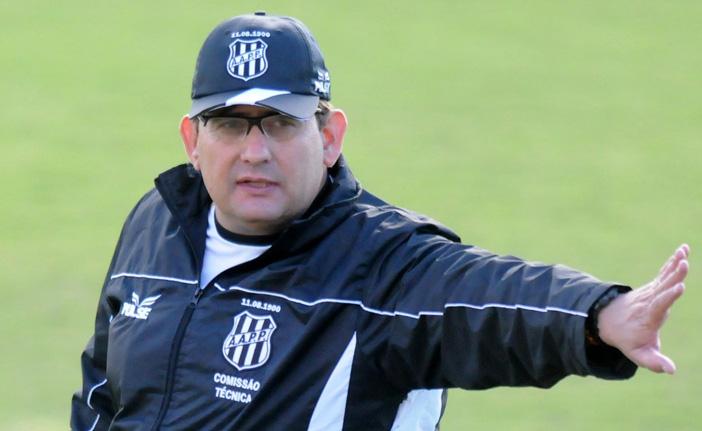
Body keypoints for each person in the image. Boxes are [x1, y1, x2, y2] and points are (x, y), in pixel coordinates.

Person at [71, 11, 690, 431]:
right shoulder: (158, 222)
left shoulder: (384, 265)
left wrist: (598, 316)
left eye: (281, 124)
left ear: (329, 136)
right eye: (230, 124)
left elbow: (488, 297)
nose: (254, 152)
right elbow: (102, 391)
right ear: (193, 140)